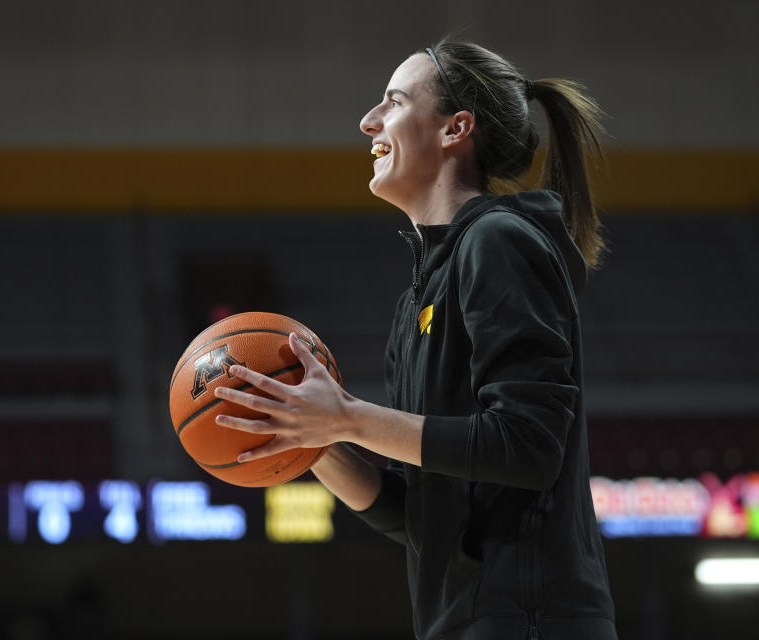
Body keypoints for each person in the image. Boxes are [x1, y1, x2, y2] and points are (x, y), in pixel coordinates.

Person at [213, 40, 617, 640]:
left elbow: (529, 448)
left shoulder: (498, 241)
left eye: (394, 102)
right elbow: (419, 512)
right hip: (460, 621)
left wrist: (348, 417)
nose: (367, 121)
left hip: (529, 619)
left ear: (457, 130)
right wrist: (315, 438)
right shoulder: (417, 300)